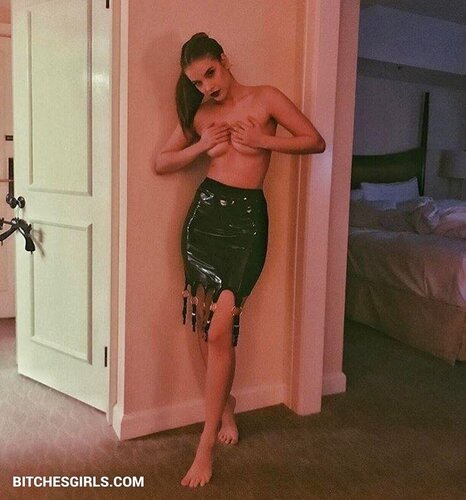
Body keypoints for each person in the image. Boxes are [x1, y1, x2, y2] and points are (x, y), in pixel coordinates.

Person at [155, 32, 325, 488]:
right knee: (204, 326)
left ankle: (204, 446)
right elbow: (161, 161)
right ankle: (224, 408)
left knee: (220, 330)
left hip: (247, 223)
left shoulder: (265, 98)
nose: (207, 86)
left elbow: (314, 140)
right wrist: (201, 145)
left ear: (224, 60)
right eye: (197, 82)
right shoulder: (200, 114)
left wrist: (262, 140)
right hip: (203, 220)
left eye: (210, 73)